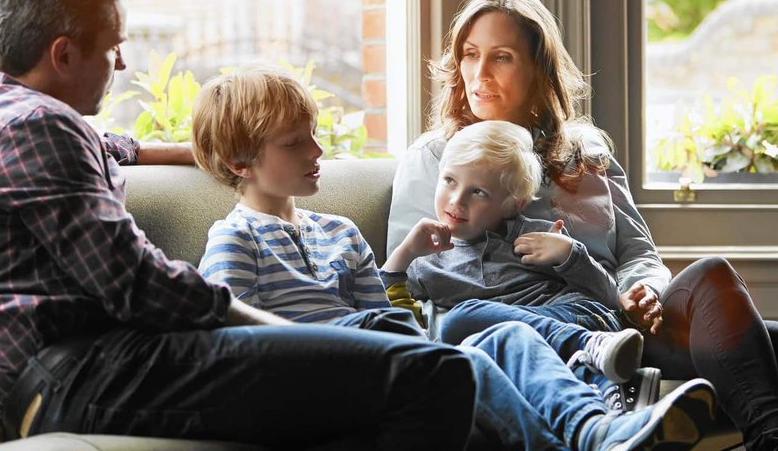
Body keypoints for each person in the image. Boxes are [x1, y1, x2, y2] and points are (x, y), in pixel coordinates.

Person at [0, 0, 479, 449]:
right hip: (84, 376)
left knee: (376, 368)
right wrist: (280, 332)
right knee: (435, 372)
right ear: (63, 54)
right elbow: (136, 284)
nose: (123, 61)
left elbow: (112, 147)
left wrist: (226, 151)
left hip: (73, 372)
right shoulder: (38, 129)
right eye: (113, 45)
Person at [192, 64, 720, 451]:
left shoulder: (340, 231)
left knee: (504, 336)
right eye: (294, 144)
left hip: (389, 360)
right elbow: (238, 345)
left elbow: (393, 316)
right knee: (463, 351)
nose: (317, 151)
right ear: (241, 162)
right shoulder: (236, 241)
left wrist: (400, 275)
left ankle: (599, 431)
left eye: (313, 135)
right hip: (323, 378)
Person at [387, 0, 778, 451]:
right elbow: (415, 277)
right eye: (470, 55)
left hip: (612, 320)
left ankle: (776, 445)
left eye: (501, 57)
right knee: (777, 345)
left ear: (538, 69)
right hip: (516, 335)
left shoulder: (585, 153)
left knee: (735, 296)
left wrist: (643, 290)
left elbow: (638, 252)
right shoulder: (435, 158)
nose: (480, 73)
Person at [381, 119, 647, 387]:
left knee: (460, 319)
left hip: (580, 318)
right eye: (449, 180)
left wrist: (570, 253)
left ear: (512, 205)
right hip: (520, 351)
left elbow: (609, 299)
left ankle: (590, 344)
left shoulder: (535, 237)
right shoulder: (425, 262)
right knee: (481, 348)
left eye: (478, 192)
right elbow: (393, 321)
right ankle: (609, 395)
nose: (457, 200)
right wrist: (404, 254)